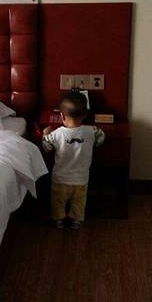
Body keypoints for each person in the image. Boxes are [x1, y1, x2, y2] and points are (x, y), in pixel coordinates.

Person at [42, 92, 105, 230]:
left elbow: (46, 147)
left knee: (58, 202)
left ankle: (58, 220)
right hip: (81, 180)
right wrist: (93, 143)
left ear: (62, 116)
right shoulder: (92, 131)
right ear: (85, 115)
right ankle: (76, 221)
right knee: (79, 203)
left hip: (60, 179)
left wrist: (45, 134)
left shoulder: (56, 134)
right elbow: (102, 137)